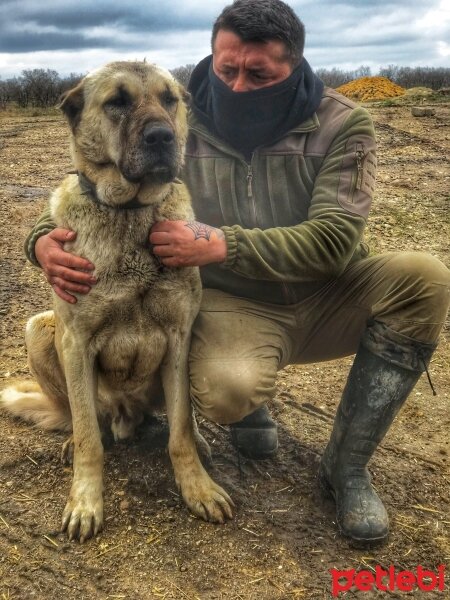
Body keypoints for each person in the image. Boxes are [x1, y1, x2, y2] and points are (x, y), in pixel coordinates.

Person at [24, 0, 450, 545]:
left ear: (294, 64)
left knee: (427, 275)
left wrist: (220, 242)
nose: (240, 86)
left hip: (326, 291)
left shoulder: (344, 122)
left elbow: (336, 239)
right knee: (228, 388)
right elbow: (85, 178)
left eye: (259, 73)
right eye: (227, 70)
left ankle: (347, 466)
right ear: (212, 58)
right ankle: (247, 405)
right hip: (240, 304)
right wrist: (41, 242)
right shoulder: (182, 113)